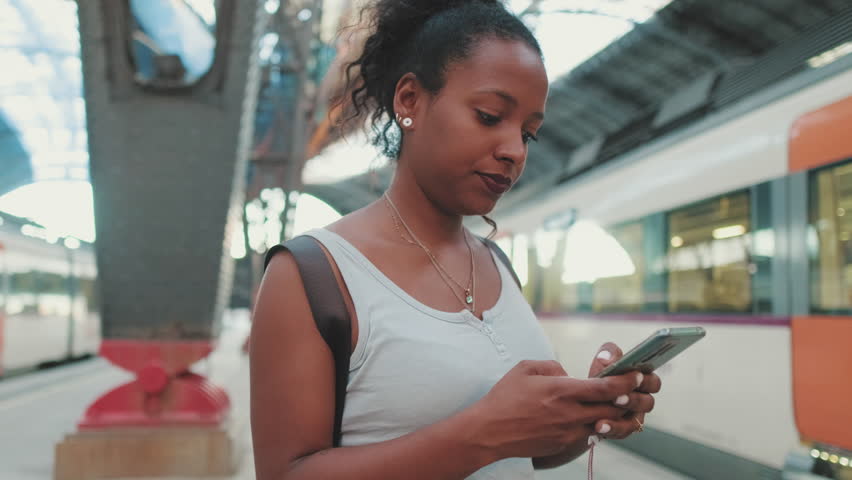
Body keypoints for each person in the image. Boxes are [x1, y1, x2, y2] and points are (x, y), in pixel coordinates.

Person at [249, 1, 662, 479]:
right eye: (489, 116)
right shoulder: (312, 276)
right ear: (409, 101)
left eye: (529, 134)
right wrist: (483, 432)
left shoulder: (498, 264)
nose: (512, 151)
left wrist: (589, 415)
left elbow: (526, 450)